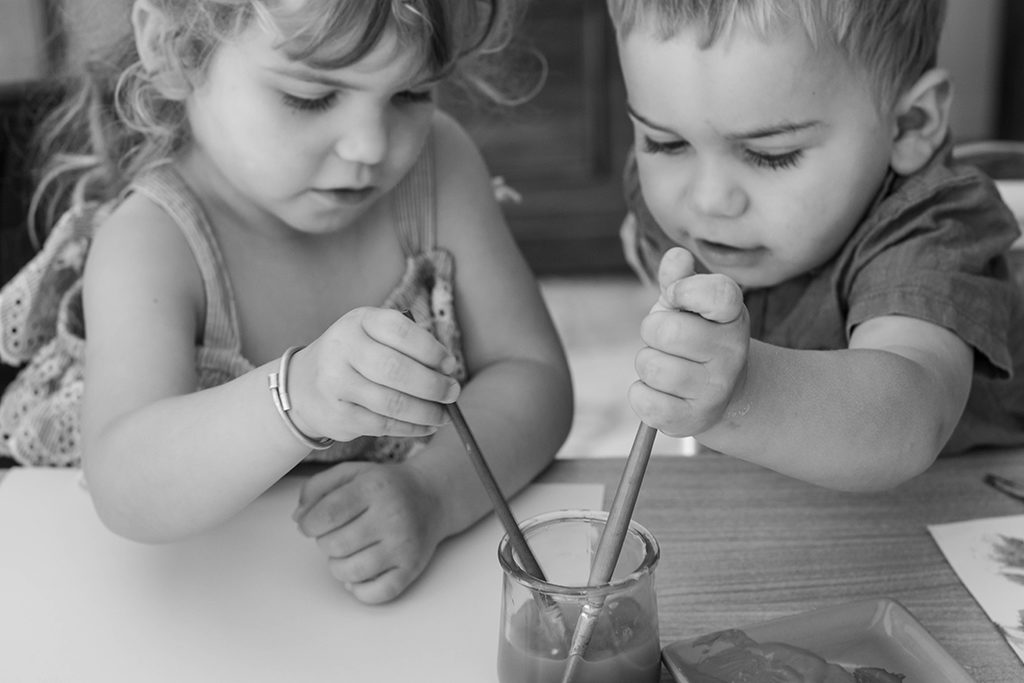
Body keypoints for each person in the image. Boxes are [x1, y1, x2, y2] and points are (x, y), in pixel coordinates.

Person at [0, 0, 573, 604]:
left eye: (410, 94)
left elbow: (534, 376)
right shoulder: (152, 242)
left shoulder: (437, 166)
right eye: (310, 97)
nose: (370, 146)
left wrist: (432, 492)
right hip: (197, 611)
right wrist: (296, 397)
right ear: (174, 49)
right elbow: (121, 482)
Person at [606, 0, 1024, 491]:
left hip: (971, 496)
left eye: (770, 155)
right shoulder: (686, 196)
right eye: (664, 144)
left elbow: (909, 420)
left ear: (910, 125)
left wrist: (742, 389)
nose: (708, 200)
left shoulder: (931, 227)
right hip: (765, 493)